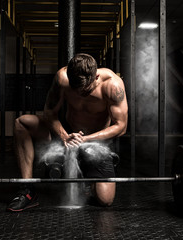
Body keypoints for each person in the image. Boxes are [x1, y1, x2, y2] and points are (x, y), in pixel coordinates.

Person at [7, 53, 128, 212]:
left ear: (96, 76)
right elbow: (49, 112)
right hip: (66, 134)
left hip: (95, 142)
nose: (80, 94)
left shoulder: (113, 85)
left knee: (105, 200)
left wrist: (85, 140)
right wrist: (64, 136)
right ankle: (27, 190)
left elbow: (121, 127)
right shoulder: (62, 78)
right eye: (76, 90)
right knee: (22, 123)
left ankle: (90, 171)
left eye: (86, 90)